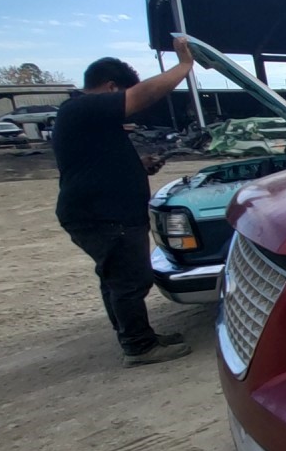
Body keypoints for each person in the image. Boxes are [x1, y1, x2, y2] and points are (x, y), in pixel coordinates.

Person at [53, 37, 197, 367]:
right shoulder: (82, 107)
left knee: (116, 278)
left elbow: (96, 162)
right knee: (130, 280)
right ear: (110, 87)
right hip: (105, 216)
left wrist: (139, 165)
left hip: (97, 213)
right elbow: (143, 94)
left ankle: (134, 335)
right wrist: (184, 66)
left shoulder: (85, 117)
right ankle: (139, 346)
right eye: (121, 94)